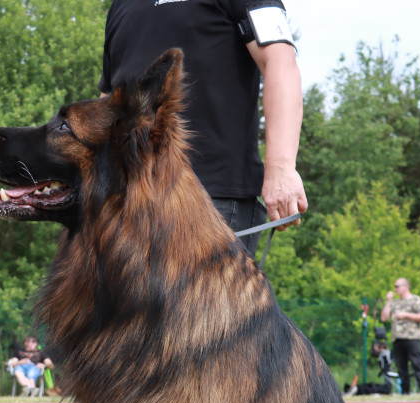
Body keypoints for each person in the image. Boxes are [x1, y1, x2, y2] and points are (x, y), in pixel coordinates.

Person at [99, 0, 308, 257]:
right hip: (126, 201)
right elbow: (107, 101)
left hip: (210, 200)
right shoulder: (121, 5)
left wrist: (281, 168)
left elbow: (281, 64)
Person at [380, 278, 420, 395]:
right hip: (397, 339)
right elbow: (384, 317)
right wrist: (388, 301)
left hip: (412, 338)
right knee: (401, 367)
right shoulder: (394, 302)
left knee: (417, 364)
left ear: (405, 286)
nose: (395, 289)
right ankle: (405, 391)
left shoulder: (415, 300)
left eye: (397, 286)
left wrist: (406, 315)